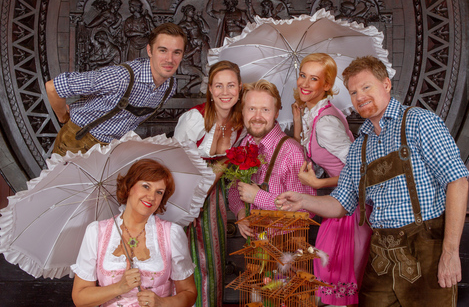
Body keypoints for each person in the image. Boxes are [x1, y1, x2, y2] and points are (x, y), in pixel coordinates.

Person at [277, 56, 469, 306]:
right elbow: (341, 203)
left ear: (386, 84)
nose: (360, 97)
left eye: (366, 87)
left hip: (425, 248)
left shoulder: (420, 122)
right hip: (380, 253)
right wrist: (303, 200)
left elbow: (458, 181)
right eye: (354, 92)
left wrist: (450, 252)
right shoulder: (360, 146)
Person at [291, 53, 371, 307]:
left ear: (326, 85)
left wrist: (318, 184)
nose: (304, 82)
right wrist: (296, 122)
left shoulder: (325, 122)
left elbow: (361, 169)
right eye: (302, 75)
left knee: (332, 278)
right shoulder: (316, 114)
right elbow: (306, 155)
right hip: (339, 204)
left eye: (313, 78)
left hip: (350, 207)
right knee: (329, 277)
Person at [46, 23, 187, 156]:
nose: (169, 59)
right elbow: (53, 87)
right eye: (162, 50)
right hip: (78, 142)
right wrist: (63, 116)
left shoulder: (169, 87)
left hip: (112, 149)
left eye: (176, 52)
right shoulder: (120, 77)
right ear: (150, 50)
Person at [71, 159, 197, 307]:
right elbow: (80, 298)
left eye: (159, 192)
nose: (151, 197)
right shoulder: (96, 232)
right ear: (129, 187)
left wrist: (162, 303)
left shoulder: (172, 234)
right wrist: (119, 287)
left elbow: (189, 293)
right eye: (146, 186)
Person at [173, 60, 246, 307]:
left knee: (212, 261)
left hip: (214, 199)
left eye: (231, 85)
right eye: (219, 86)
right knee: (185, 260)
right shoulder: (194, 119)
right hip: (183, 195)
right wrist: (188, 203)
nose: (225, 92)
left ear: (240, 88)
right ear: (211, 91)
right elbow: (174, 164)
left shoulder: (240, 123)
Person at [228, 79, 316, 239]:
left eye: (265, 110)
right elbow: (235, 189)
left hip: (287, 247)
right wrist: (240, 212)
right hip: (255, 248)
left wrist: (258, 197)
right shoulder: (244, 143)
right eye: (252, 108)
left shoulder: (292, 152)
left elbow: (307, 211)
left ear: (276, 113)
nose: (257, 117)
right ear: (243, 111)